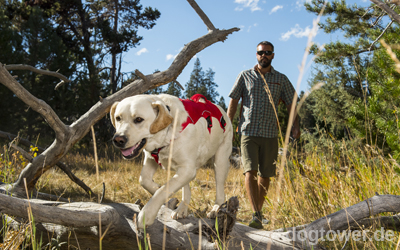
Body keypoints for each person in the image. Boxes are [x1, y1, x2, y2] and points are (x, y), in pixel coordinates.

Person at [227, 41, 300, 229]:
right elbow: (234, 101)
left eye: (267, 53)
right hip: (248, 131)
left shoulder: (281, 79)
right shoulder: (245, 76)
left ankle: (258, 214)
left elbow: (292, 103)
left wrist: (295, 126)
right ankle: (256, 213)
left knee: (265, 175)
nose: (264, 56)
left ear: (273, 55)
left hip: (270, 134)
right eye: (260, 53)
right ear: (256, 55)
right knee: (249, 170)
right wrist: (228, 124)